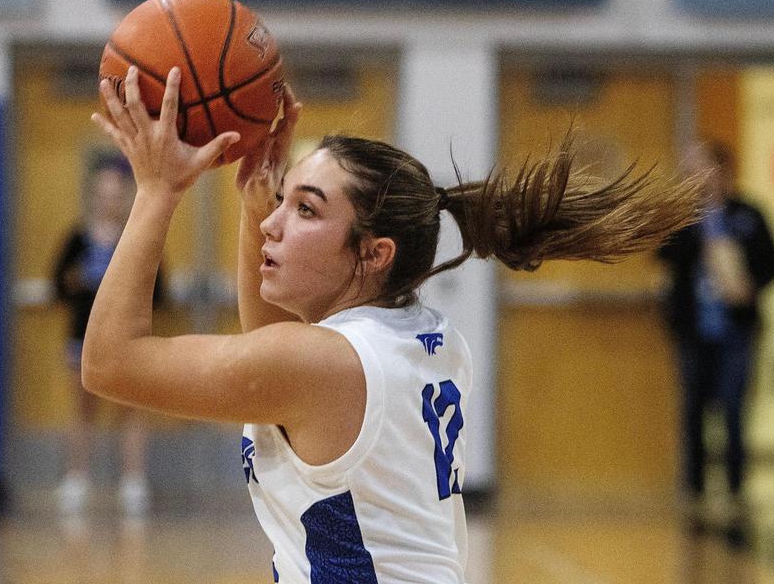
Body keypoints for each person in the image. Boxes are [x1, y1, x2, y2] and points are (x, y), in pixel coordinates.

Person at [83, 66, 701, 582]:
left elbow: (110, 363)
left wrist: (158, 190)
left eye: (305, 210)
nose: (274, 223)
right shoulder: (423, 336)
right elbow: (272, 362)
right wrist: (254, 211)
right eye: (283, 201)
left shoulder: (324, 364)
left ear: (375, 253)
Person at [658, 141, 774, 521]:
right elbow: (663, 254)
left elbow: (770, 262)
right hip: (694, 330)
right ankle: (694, 490)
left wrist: (751, 285)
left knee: (733, 408)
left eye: (702, 167)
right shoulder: (682, 217)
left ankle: (735, 490)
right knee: (693, 408)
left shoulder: (748, 214)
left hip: (736, 330)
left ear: (722, 172)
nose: (694, 175)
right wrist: (696, 233)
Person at [52, 155, 163, 516]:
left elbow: (159, 288)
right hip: (82, 336)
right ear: (93, 196)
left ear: (126, 196)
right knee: (83, 409)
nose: (108, 200)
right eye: (102, 193)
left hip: (128, 340)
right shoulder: (77, 239)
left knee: (130, 410)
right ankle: (77, 479)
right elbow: (58, 284)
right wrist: (80, 285)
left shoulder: (137, 237)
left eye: (115, 194)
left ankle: (133, 482)